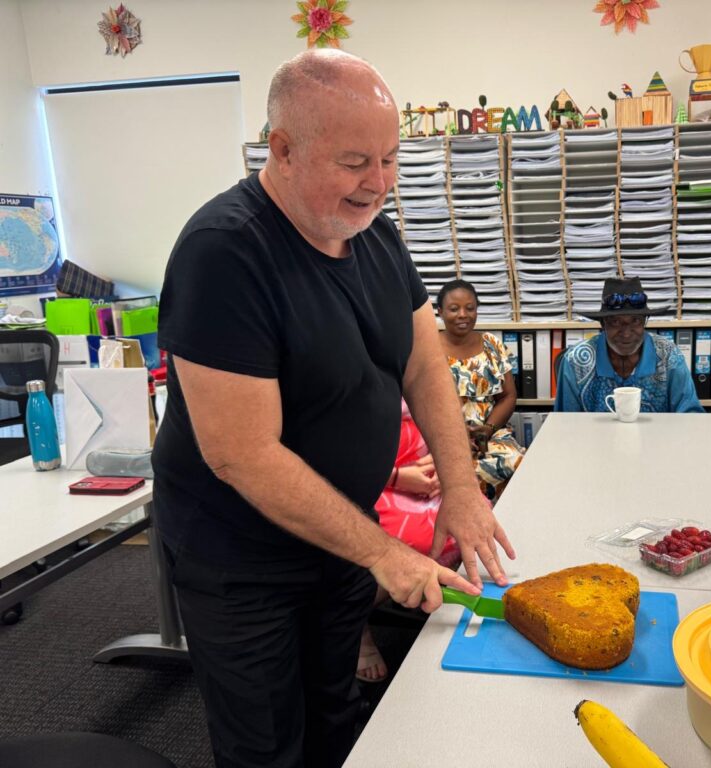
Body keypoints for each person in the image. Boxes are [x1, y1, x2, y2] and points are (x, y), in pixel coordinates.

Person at [152, 49, 513, 767]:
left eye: (389, 158)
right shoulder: (223, 254)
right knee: (267, 745)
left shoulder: (375, 232)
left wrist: (464, 489)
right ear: (283, 150)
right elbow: (241, 453)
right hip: (243, 562)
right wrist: (384, 551)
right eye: (355, 162)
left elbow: (422, 364)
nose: (377, 183)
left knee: (338, 718)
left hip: (341, 537)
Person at [359, 399, 461, 683]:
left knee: (468, 515)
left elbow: (440, 416)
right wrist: (396, 477)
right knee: (409, 540)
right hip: (374, 483)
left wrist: (444, 464)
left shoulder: (413, 362)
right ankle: (358, 630)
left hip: (425, 477)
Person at [555, 277, 703, 414]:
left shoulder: (669, 355)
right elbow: (566, 424)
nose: (626, 333)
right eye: (615, 322)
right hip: (594, 441)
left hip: (657, 440)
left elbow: (690, 416)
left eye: (636, 321)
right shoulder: (575, 362)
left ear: (645, 321)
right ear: (603, 324)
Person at [436, 279, 524, 500]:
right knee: (450, 474)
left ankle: (504, 524)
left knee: (517, 463)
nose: (463, 315)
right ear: (440, 312)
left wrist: (488, 428)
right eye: (454, 309)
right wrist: (457, 435)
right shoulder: (427, 347)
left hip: (489, 431)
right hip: (440, 434)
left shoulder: (492, 344)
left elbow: (508, 395)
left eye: (470, 308)